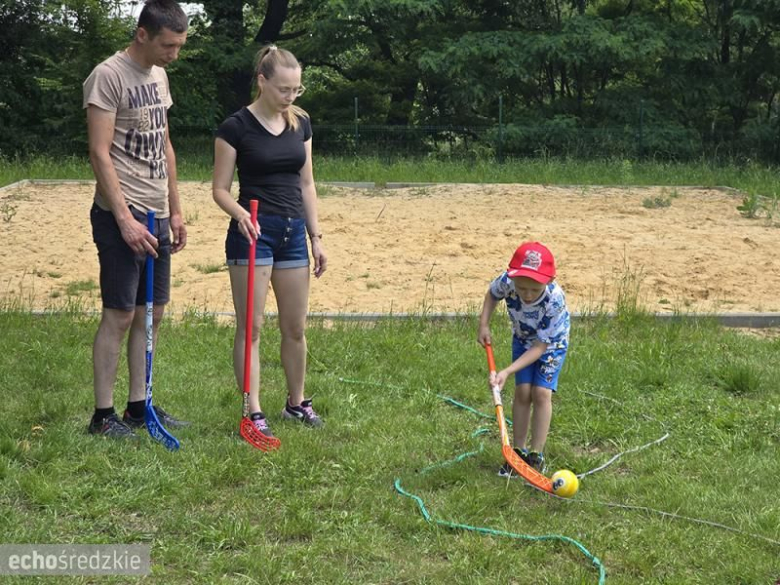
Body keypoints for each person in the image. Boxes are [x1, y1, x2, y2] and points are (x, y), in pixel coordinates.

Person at [83, 0, 190, 439]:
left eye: (180, 45)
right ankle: (102, 415)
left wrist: (176, 209)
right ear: (142, 34)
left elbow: (165, 146)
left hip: (158, 213)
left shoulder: (160, 77)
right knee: (120, 314)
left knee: (153, 313)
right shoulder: (108, 76)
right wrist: (125, 219)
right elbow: (99, 152)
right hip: (119, 216)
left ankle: (138, 406)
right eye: (169, 45)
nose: (174, 54)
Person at [212, 45, 327, 444]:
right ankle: (253, 410)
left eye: (296, 90)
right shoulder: (235, 128)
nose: (290, 97)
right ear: (262, 81)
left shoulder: (301, 124)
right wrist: (239, 214)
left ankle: (295, 402)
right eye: (283, 89)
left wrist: (316, 237)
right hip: (252, 233)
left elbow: (307, 184)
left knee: (295, 327)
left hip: (293, 232)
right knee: (253, 327)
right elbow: (220, 190)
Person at [477, 242, 570, 475]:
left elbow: (540, 348)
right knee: (522, 392)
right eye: (522, 288)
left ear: (547, 282)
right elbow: (492, 295)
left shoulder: (554, 300)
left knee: (540, 393)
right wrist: (484, 324)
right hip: (522, 339)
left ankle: (536, 455)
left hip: (550, 345)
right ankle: (517, 452)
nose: (527, 295)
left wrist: (506, 371)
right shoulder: (508, 281)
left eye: (534, 290)